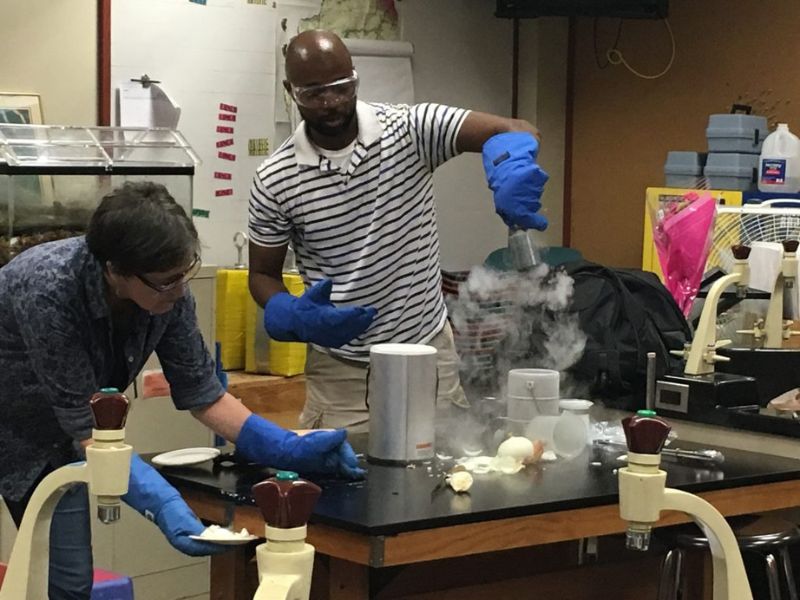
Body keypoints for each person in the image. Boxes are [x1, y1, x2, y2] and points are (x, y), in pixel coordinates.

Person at [0, 181, 362, 599]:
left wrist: (283, 447)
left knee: (68, 584)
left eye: (184, 274)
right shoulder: (48, 289)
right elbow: (88, 429)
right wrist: (165, 506)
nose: (178, 290)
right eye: (165, 282)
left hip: (57, 434)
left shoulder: (167, 289)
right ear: (115, 270)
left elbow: (202, 391)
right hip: (21, 427)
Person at [248, 29, 548, 434]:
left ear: (355, 78)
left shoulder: (410, 130)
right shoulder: (275, 178)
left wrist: (511, 165)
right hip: (341, 371)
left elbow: (516, 129)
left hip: (428, 352)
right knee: (344, 486)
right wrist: (291, 313)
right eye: (314, 94)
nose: (332, 103)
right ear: (291, 90)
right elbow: (262, 274)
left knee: (443, 480)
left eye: (342, 88)